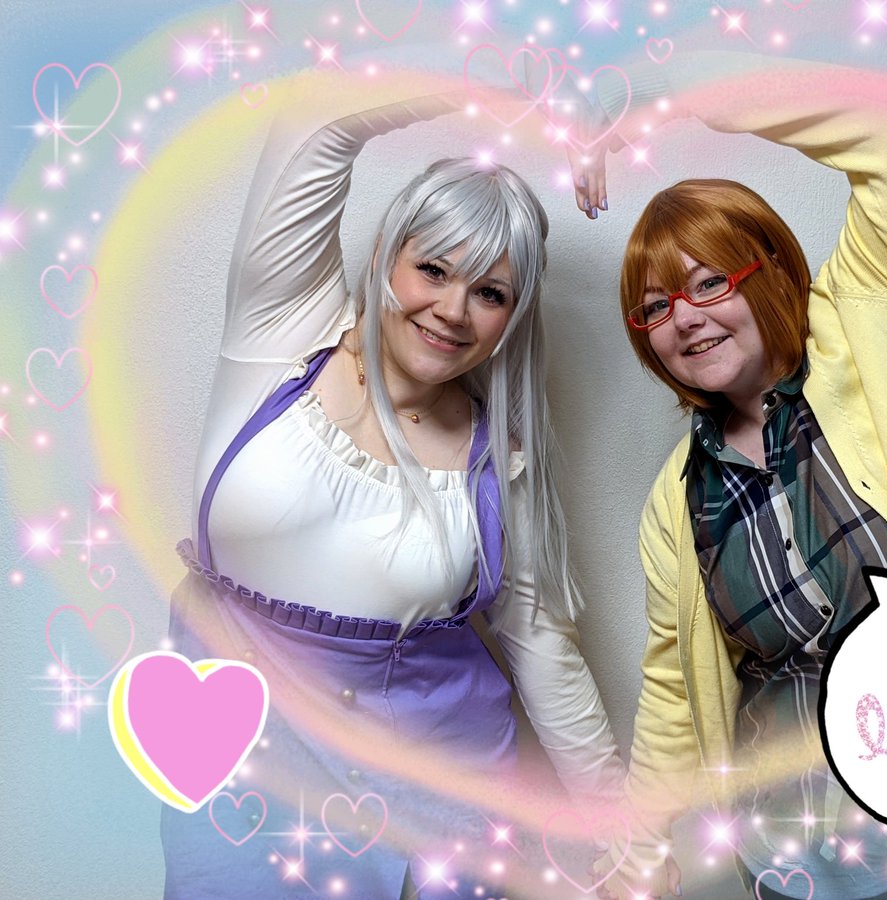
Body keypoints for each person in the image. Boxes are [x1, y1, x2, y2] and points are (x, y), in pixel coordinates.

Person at [577, 53, 887, 898]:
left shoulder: (879, 318)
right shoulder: (676, 499)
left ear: (769, 267)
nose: (684, 319)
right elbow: (671, 690)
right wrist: (643, 846)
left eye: (709, 281)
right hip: (797, 856)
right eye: (655, 307)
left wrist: (664, 90)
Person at [161, 72, 623, 898]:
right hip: (242, 775)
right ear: (383, 259)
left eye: (490, 293)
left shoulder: (498, 461)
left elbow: (542, 649)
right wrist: (530, 84)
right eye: (433, 269)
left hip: (438, 802)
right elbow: (318, 115)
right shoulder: (281, 338)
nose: (452, 310)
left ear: (512, 320)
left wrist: (621, 826)